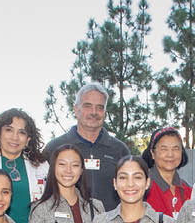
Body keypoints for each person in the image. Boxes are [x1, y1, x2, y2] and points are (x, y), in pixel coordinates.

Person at [43, 82, 131, 211]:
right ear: (76, 109)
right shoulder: (54, 147)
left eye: (100, 107)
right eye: (87, 106)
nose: (94, 112)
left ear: (105, 113)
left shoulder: (120, 150)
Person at [141, 126, 191, 216]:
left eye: (175, 148)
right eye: (164, 149)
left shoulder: (187, 189)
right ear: (152, 153)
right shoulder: (142, 187)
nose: (170, 154)